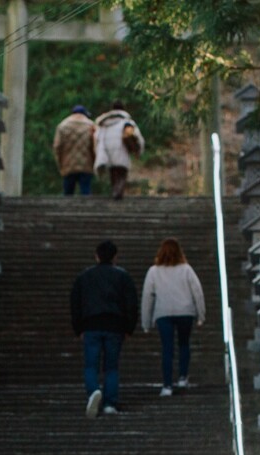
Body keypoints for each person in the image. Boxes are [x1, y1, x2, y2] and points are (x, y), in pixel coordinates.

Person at [69, 239, 138, 416]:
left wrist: (79, 328)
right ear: (115, 257)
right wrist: (129, 328)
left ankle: (93, 392)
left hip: (91, 325)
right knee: (111, 367)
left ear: (96, 256)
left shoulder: (84, 277)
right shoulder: (123, 276)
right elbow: (131, 304)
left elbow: (75, 303)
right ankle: (109, 403)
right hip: (115, 326)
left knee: (91, 365)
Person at [141, 238, 205, 396]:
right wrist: (201, 315)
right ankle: (183, 377)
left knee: (167, 348)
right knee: (184, 344)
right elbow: (197, 291)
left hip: (163, 313)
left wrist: (146, 322)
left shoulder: (154, 271)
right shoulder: (186, 269)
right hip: (185, 311)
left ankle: (167, 385)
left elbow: (147, 297)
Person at [92, 102, 143, 200]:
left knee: (113, 173)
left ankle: (115, 190)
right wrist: (139, 150)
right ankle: (118, 191)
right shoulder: (127, 123)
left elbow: (97, 138)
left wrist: (98, 153)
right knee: (122, 173)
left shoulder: (104, 124)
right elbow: (137, 137)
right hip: (122, 151)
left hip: (108, 152)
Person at [52, 105, 96, 196]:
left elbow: (57, 147)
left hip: (68, 165)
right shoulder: (91, 126)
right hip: (86, 164)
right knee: (86, 191)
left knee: (67, 192)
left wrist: (60, 164)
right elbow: (95, 146)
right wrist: (94, 163)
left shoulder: (62, 126)